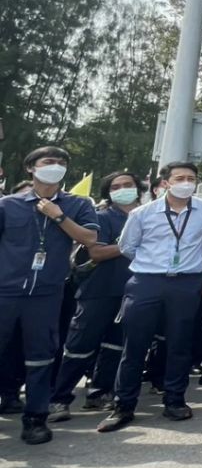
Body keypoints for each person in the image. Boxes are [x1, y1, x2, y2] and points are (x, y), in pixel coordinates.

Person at [96, 161, 202, 432]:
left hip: (186, 283)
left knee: (179, 344)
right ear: (165, 183)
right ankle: (123, 406)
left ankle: (175, 400)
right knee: (135, 345)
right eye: (179, 178)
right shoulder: (142, 213)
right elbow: (128, 247)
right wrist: (156, 263)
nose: (186, 182)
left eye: (191, 178)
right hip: (146, 282)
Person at [0, 146, 99, 444]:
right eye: (48, 162)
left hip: (47, 294)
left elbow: (90, 238)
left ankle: (35, 418)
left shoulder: (77, 204)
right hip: (5, 292)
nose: (54, 166)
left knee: (41, 357)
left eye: (60, 163)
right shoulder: (8, 205)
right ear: (31, 168)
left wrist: (58, 217)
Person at [49, 171, 141, 421]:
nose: (124, 189)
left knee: (115, 345)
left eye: (129, 184)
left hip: (130, 291)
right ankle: (60, 398)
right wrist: (132, 246)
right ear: (108, 193)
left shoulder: (144, 215)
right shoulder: (101, 217)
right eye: (117, 186)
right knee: (80, 346)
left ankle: (99, 393)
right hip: (97, 291)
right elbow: (96, 253)